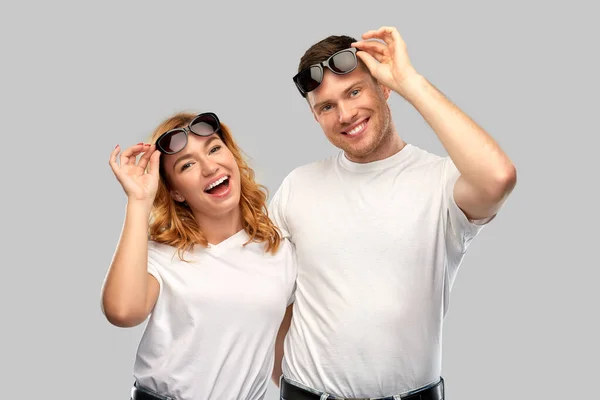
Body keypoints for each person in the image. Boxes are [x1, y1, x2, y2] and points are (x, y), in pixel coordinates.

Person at [269, 26, 517, 400]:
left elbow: (498, 177)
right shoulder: (297, 186)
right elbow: (273, 297)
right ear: (316, 117)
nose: (346, 114)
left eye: (355, 92)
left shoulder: (441, 183)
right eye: (326, 106)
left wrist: (409, 80)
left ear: (384, 89)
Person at [101, 111, 297, 400]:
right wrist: (139, 201)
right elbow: (122, 312)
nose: (209, 167)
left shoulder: (279, 250)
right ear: (177, 193)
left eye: (215, 149)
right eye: (187, 164)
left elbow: (280, 348)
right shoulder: (162, 255)